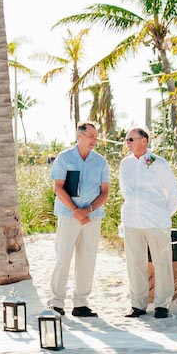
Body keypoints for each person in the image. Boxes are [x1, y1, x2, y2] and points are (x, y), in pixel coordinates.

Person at [49, 121, 111, 318]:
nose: (94, 139)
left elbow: (105, 192)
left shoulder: (101, 162)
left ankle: (81, 304)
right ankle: (57, 302)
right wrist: (76, 210)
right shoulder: (65, 158)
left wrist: (89, 210)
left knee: (88, 258)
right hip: (68, 216)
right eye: (91, 135)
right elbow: (58, 187)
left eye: (96, 136)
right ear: (80, 136)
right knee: (63, 256)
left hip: (93, 217)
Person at [120, 126, 177, 319]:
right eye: (127, 139)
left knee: (162, 262)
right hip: (132, 220)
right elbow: (125, 191)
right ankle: (138, 304)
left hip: (156, 221)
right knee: (134, 262)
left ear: (144, 141)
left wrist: (163, 214)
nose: (127, 143)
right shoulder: (125, 164)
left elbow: (174, 193)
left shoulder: (159, 163)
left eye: (131, 139)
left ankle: (162, 305)